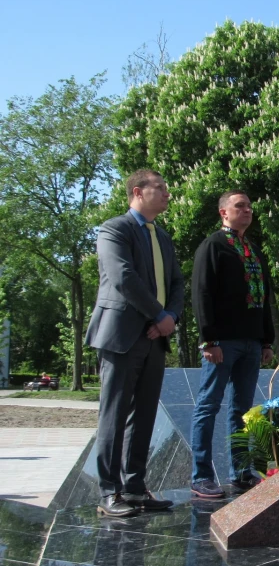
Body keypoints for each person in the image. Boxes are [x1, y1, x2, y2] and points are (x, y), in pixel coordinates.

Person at [86, 169, 184, 517]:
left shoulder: (164, 238)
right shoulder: (114, 229)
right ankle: (109, 492)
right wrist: (159, 315)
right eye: (161, 188)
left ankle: (135, 487)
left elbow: (176, 283)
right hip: (122, 335)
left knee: (143, 416)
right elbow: (123, 278)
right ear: (138, 192)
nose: (167, 194)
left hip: (156, 338)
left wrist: (170, 318)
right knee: (113, 414)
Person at [189, 190, 275, 499]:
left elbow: (266, 297)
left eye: (250, 206)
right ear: (224, 212)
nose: (248, 210)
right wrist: (208, 339)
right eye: (240, 206)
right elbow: (201, 293)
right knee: (209, 405)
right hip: (222, 342)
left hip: (251, 342)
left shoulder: (252, 249)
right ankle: (201, 476)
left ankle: (240, 473)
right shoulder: (213, 246)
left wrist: (266, 340)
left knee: (242, 410)